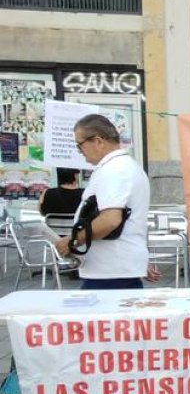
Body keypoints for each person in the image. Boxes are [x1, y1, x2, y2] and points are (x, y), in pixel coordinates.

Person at [53, 114, 150, 289]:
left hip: (111, 269)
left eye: (80, 145)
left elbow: (110, 219)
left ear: (98, 141)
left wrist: (73, 240)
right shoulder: (123, 166)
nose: (79, 151)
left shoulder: (114, 169)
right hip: (114, 267)